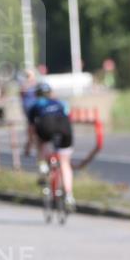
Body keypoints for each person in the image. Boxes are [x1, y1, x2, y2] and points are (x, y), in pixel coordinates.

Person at [27, 81, 75, 210]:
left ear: (37, 94)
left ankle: (42, 165)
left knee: (40, 141)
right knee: (65, 163)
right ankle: (69, 195)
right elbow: (68, 117)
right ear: (50, 93)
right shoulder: (60, 103)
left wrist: (28, 146)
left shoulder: (34, 106)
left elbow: (31, 130)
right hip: (64, 128)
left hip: (46, 127)